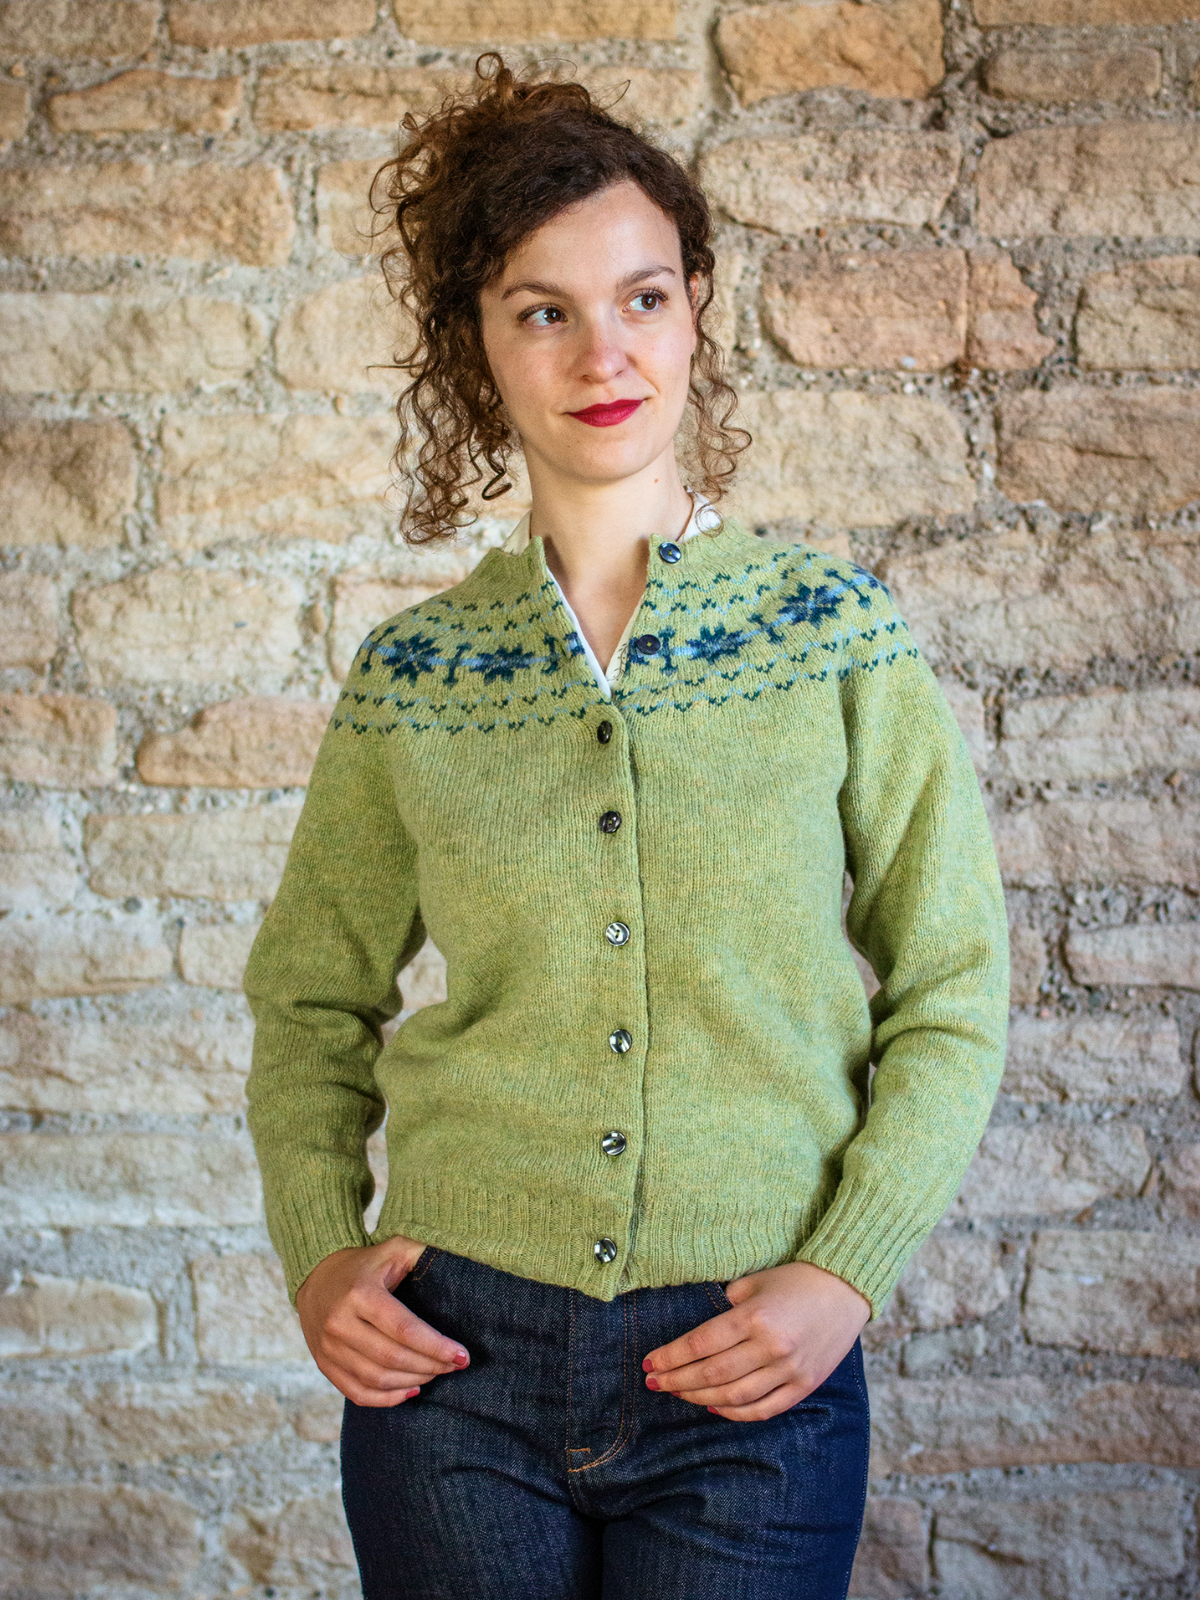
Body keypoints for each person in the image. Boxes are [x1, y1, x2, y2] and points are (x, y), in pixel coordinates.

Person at [244, 55, 1009, 1600]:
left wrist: (843, 1273)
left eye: (642, 298)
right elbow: (309, 999)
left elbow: (955, 984)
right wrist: (320, 1248)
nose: (605, 353)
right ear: (476, 342)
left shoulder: (832, 635)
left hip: (751, 1365)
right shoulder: (418, 675)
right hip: (454, 1369)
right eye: (544, 311)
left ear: (695, 310)